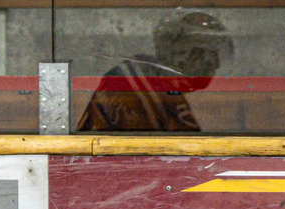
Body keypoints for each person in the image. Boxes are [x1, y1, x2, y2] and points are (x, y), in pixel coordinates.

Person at [76, 9, 232, 132]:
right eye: (209, 54)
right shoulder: (131, 86)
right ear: (180, 52)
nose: (215, 64)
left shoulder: (167, 89)